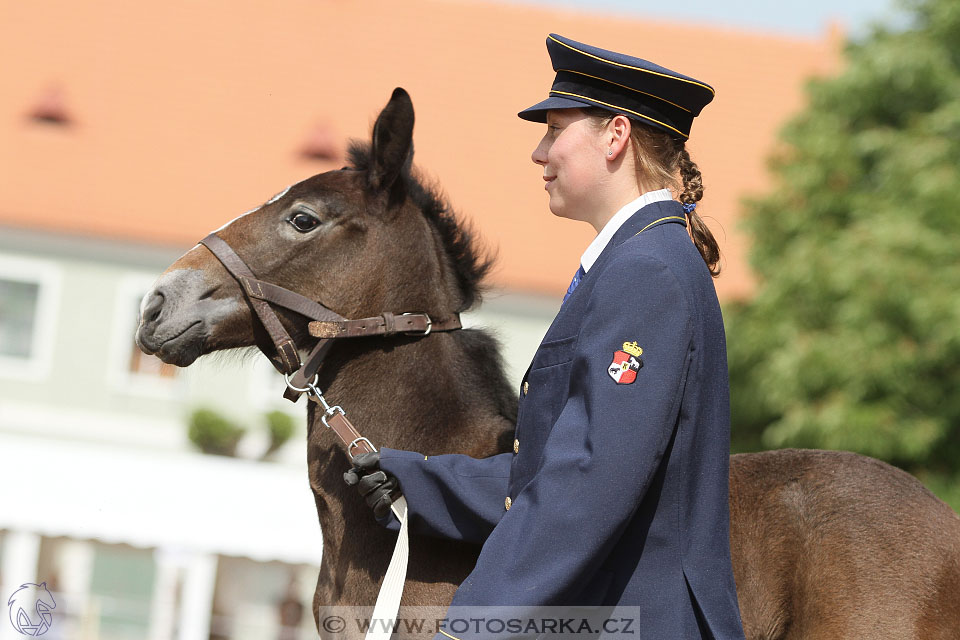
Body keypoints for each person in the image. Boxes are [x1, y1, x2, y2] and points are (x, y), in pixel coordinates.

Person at [344, 33, 746, 639]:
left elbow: (589, 481)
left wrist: (471, 626)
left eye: (555, 129)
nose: (539, 151)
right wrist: (418, 482)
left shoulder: (647, 271)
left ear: (615, 136)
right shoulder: (639, 260)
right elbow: (554, 473)